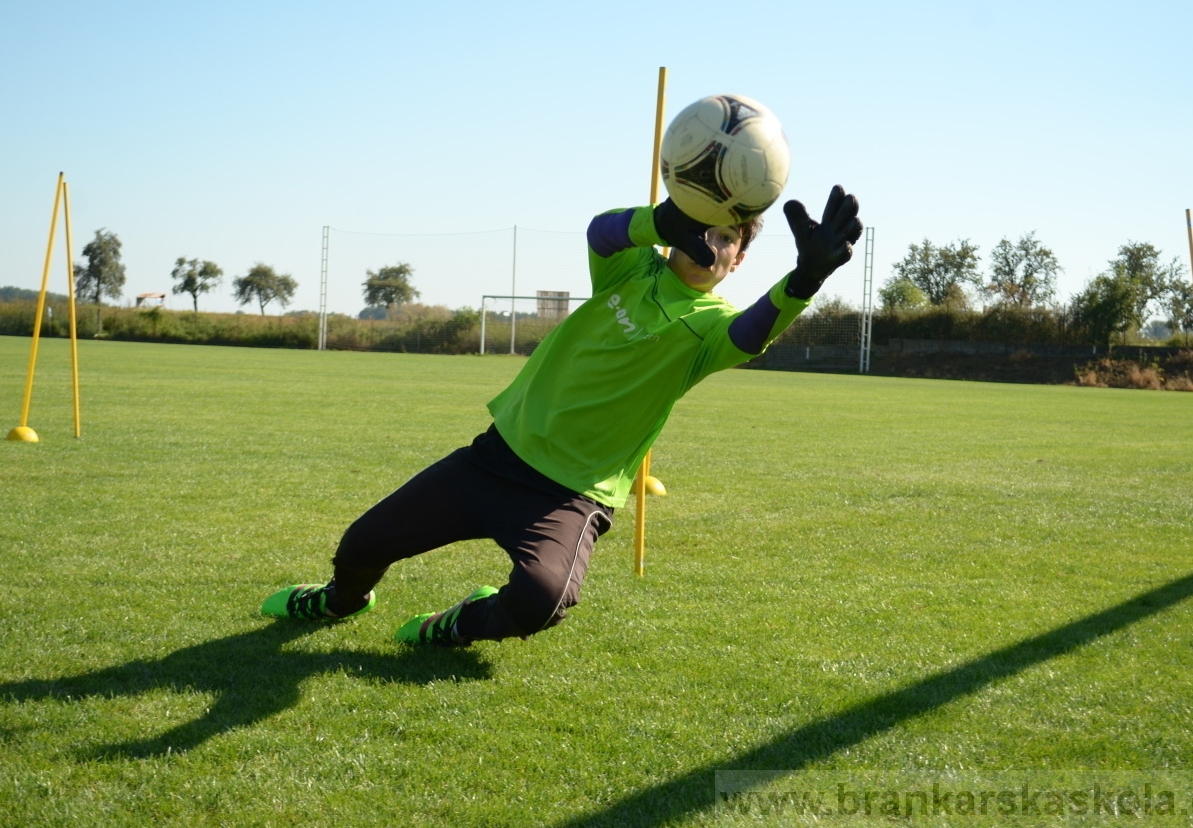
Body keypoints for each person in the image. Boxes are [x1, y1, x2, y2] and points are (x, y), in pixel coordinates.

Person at [261, 186, 862, 646]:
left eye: (727, 236)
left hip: (571, 496)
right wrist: (659, 221)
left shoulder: (710, 324)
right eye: (701, 223)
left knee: (540, 601)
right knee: (362, 543)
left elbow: (752, 331)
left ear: (738, 261)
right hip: (494, 459)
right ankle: (341, 601)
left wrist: (805, 277)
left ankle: (457, 625)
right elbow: (602, 234)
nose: (711, 240)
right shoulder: (635, 270)